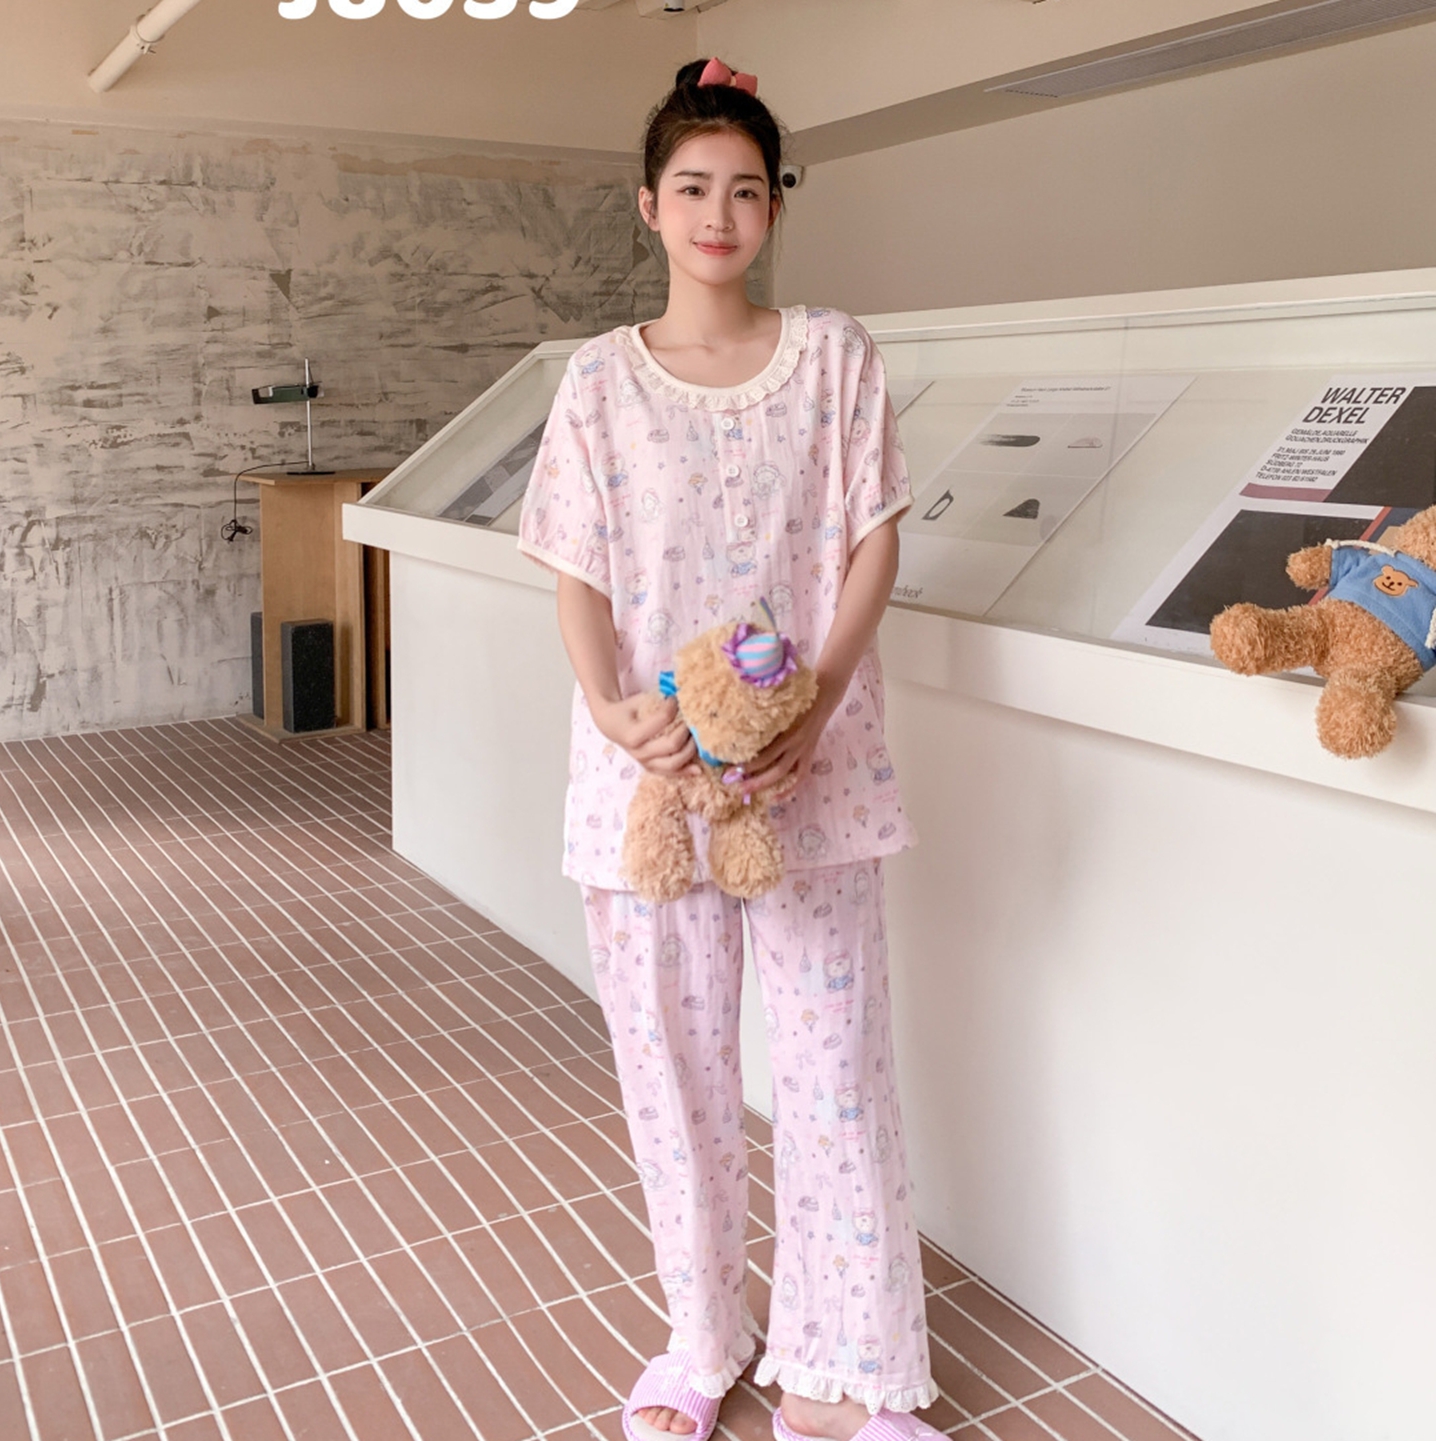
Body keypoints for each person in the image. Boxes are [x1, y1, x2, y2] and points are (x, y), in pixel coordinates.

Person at [517, 55, 937, 1441]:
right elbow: (576, 570)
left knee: (835, 1079)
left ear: (775, 206)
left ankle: (844, 1374)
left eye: (746, 190)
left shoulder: (836, 357)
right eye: (693, 187)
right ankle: (705, 1339)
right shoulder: (597, 382)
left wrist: (820, 700)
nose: (719, 214)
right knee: (676, 1084)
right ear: (649, 204)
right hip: (647, 788)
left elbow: (872, 539)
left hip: (812, 772)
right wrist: (606, 707)